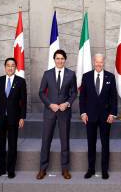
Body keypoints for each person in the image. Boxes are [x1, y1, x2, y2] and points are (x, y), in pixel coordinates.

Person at [37, 49, 77, 180]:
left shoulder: (71, 74)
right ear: (54, 60)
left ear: (65, 60)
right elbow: (41, 92)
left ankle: (65, 169)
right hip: (50, 112)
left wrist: (67, 103)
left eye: (62, 58)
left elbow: (74, 93)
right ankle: (42, 169)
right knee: (46, 140)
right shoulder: (47, 74)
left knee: (65, 141)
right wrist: (50, 104)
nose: (60, 61)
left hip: (64, 112)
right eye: (57, 58)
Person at [79, 53, 117, 179]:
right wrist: (83, 113)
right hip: (90, 117)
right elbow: (82, 97)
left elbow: (113, 98)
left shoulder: (110, 77)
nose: (99, 64)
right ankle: (91, 169)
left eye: (101, 62)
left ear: (104, 62)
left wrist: (113, 114)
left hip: (106, 117)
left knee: (105, 144)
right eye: (97, 61)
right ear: (93, 62)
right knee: (91, 143)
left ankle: (105, 170)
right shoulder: (86, 77)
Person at [0, 57, 27, 179]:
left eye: (12, 65)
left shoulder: (20, 81)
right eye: (8, 65)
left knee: (12, 145)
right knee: (0, 145)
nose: (10, 67)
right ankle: (0, 170)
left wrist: (22, 117)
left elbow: (23, 101)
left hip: (14, 118)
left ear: (15, 67)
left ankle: (11, 170)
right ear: (5, 67)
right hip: (0, 118)